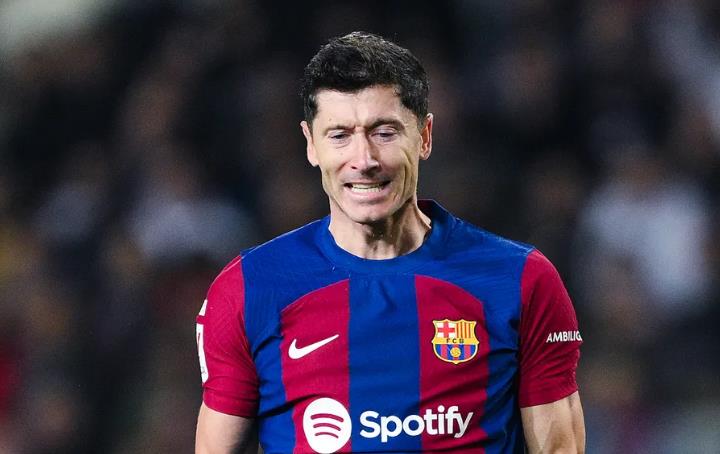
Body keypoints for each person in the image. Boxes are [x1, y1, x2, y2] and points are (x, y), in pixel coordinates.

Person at [195, 31, 585, 453]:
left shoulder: (521, 280)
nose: (364, 161)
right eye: (339, 135)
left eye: (384, 133)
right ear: (311, 145)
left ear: (425, 136)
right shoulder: (248, 288)